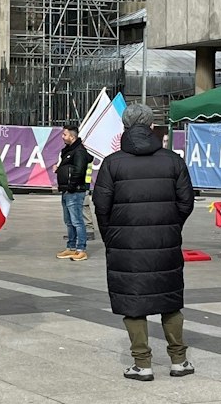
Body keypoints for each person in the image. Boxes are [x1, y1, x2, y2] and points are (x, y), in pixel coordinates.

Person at [94, 103, 197, 380]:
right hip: (165, 243)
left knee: (132, 303)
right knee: (170, 301)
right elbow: (186, 202)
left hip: (125, 245)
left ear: (124, 128)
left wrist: (112, 236)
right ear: (153, 127)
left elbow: (101, 207)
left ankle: (143, 363)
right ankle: (179, 360)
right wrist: (171, 226)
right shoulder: (173, 160)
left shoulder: (112, 163)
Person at [54, 121, 94, 261]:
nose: (62, 137)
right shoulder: (68, 151)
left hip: (75, 191)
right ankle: (71, 247)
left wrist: (71, 187)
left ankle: (81, 249)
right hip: (66, 190)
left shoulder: (79, 152)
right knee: (69, 221)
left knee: (77, 221)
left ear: (72, 137)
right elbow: (69, 169)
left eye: (64, 134)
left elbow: (78, 171)